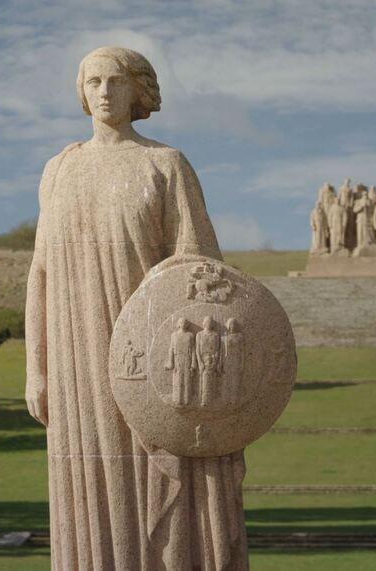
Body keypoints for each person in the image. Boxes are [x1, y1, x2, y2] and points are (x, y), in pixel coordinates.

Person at [24, 46, 247, 570]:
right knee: (85, 483)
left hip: (147, 361)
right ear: (81, 91)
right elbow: (40, 273)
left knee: (155, 481)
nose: (104, 93)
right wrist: (36, 369)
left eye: (115, 81)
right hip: (75, 361)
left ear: (138, 90)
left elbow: (200, 276)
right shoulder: (58, 169)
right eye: (93, 81)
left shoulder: (164, 165)